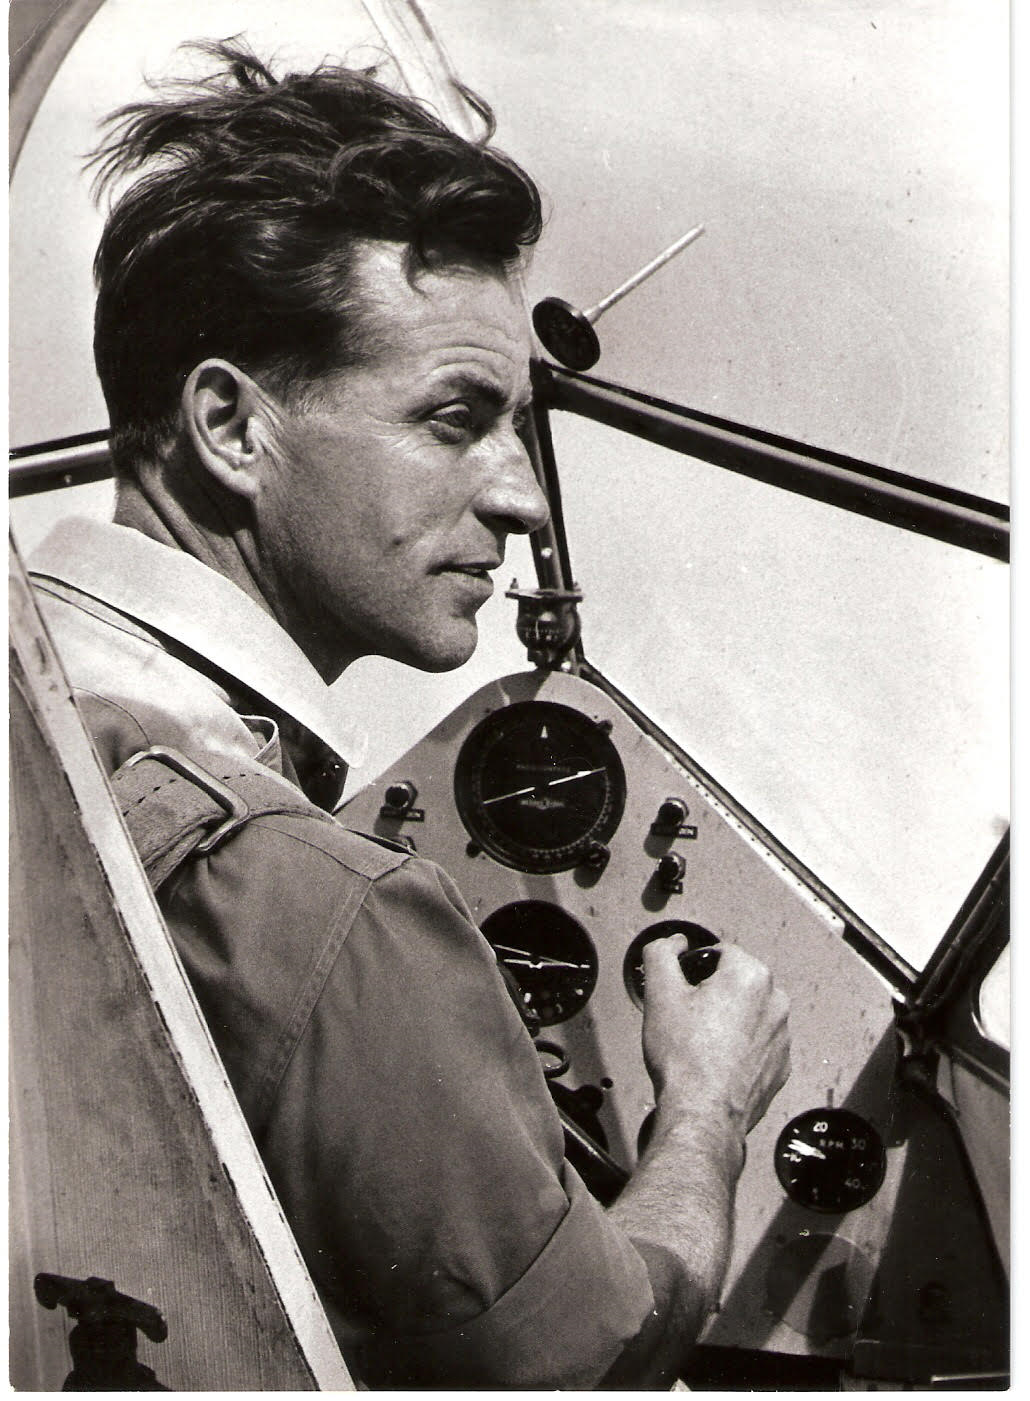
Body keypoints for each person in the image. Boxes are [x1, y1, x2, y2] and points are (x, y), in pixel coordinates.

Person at [29, 41, 790, 1389]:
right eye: (456, 419)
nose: (523, 496)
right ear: (231, 427)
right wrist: (706, 1110)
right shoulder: (318, 905)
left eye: (519, 427)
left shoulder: (48, 731)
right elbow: (588, 1365)